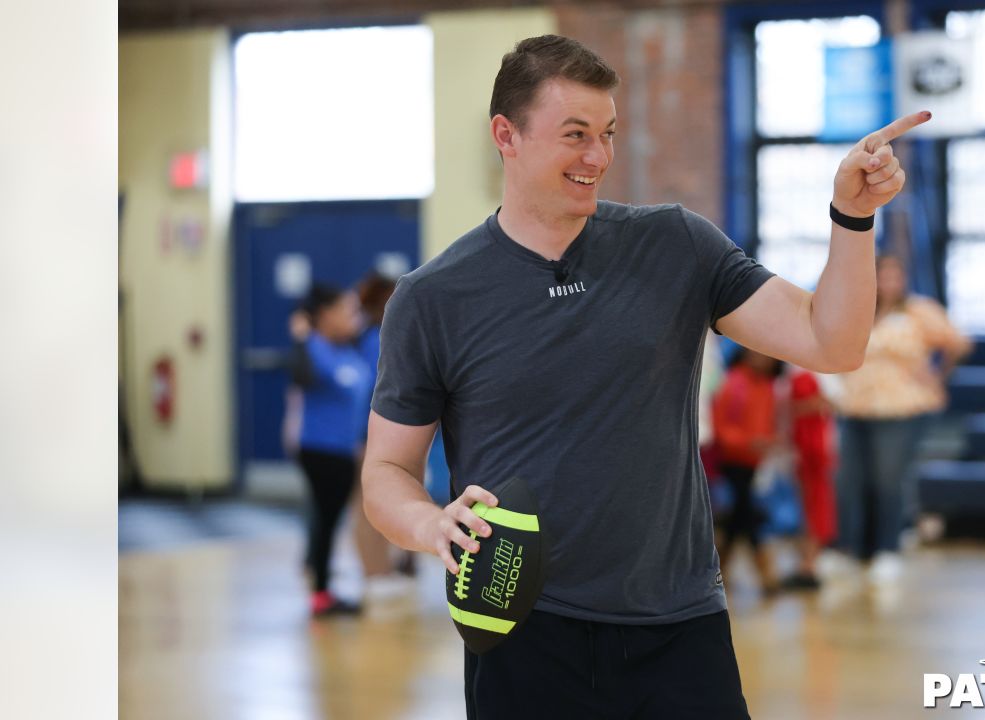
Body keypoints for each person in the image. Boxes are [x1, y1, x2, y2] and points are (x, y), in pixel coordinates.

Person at [360, 34, 929, 718]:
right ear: (506, 135)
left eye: (607, 134)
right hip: (522, 635)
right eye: (575, 135)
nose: (598, 157)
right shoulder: (432, 299)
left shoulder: (675, 245)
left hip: (679, 627)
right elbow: (385, 474)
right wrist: (432, 528)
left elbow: (831, 342)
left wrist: (854, 217)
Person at [832, 256, 970, 583]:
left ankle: (888, 548)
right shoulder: (859, 308)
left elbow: (959, 343)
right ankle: (850, 548)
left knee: (888, 479)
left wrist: (937, 374)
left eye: (896, 274)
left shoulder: (918, 311)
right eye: (883, 273)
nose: (889, 280)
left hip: (899, 408)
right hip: (854, 405)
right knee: (850, 479)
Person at [295, 283, 372, 618]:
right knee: (326, 521)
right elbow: (300, 375)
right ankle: (321, 594)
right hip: (321, 449)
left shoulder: (346, 351)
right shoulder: (312, 349)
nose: (352, 317)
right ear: (324, 314)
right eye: (345, 309)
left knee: (329, 521)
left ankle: (321, 583)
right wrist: (300, 334)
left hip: (343, 450)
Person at [350, 271, 418, 600]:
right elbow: (373, 393)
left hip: (373, 435)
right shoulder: (372, 339)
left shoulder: (374, 336)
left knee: (380, 506)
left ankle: (382, 569)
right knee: (365, 508)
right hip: (366, 436)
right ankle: (373, 572)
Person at [711, 347, 784, 596]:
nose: (762, 357)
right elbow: (721, 426)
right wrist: (747, 442)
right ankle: (766, 575)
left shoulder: (768, 386)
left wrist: (768, 441)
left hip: (756, 462)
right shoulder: (734, 382)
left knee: (737, 519)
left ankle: (717, 573)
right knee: (747, 516)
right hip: (733, 461)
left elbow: (771, 422)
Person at [781, 366, 838, 590]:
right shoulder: (796, 373)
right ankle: (807, 562)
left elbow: (826, 404)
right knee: (809, 507)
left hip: (811, 452)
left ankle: (809, 564)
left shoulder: (810, 375)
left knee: (815, 506)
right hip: (804, 451)